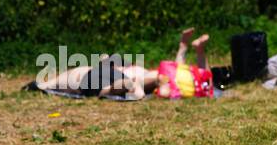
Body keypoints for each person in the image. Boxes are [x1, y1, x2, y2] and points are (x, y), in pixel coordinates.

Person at [27, 28, 210, 100]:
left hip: (108, 79)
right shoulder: (158, 76)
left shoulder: (155, 76)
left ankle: (39, 85)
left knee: (76, 79)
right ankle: (40, 85)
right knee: (77, 79)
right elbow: (177, 71)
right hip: (110, 78)